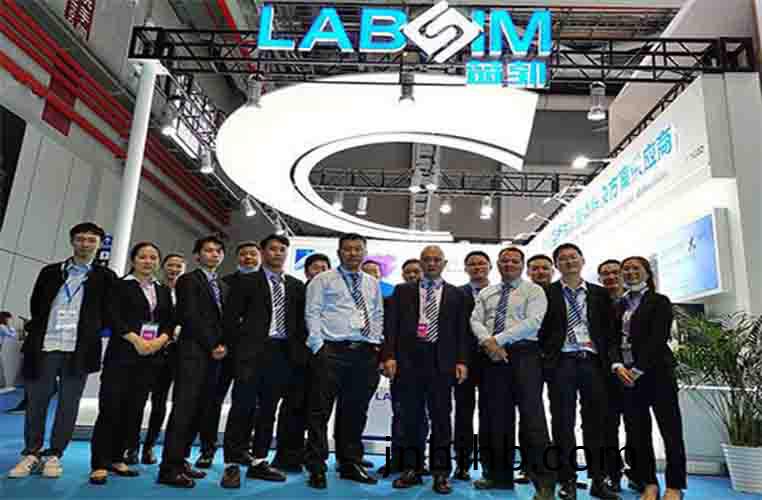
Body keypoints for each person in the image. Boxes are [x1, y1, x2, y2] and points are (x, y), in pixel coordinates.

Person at [9, 222, 117, 479]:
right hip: (46, 345)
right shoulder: (50, 272)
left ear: (99, 245)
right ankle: (31, 452)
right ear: (72, 241)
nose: (85, 244)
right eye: (80, 239)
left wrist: (90, 330)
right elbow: (36, 304)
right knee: (36, 402)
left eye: (91, 240)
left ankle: (55, 454)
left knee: (69, 405)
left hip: (79, 350)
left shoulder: (106, 277)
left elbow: (108, 311)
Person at [219, 234, 306, 488]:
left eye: (282, 250)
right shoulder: (246, 282)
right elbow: (230, 320)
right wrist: (238, 349)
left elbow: (300, 324)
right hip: (250, 354)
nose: (277, 253)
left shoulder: (296, 286)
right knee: (242, 408)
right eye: (272, 249)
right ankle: (232, 464)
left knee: (268, 411)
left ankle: (259, 461)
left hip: (282, 355)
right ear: (263, 252)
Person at [470, 247, 555, 500]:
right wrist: (488, 343)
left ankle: (545, 483)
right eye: (504, 260)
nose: (509, 264)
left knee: (533, 420)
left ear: (522, 265)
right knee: (494, 418)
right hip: (492, 358)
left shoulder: (534, 291)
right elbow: (475, 320)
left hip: (524, 356)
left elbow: (533, 322)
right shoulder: (486, 292)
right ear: (498, 264)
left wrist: (497, 340)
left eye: (514, 261)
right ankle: (498, 476)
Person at [383, 246, 467, 494]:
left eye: (436, 260)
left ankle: (441, 473)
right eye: (427, 260)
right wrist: (389, 356)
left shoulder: (457, 294)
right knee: (411, 418)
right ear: (420, 263)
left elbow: (462, 331)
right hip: (409, 360)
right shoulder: (402, 291)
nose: (431, 263)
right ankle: (412, 469)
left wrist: (462, 361)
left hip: (442, 362)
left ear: (444, 264)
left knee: (441, 418)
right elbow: (391, 326)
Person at [89, 242, 175, 485]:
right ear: (133, 260)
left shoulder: (163, 290)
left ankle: (118, 458)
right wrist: (136, 339)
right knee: (110, 408)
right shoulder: (120, 285)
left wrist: (159, 341)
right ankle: (100, 463)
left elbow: (170, 321)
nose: (148, 261)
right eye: (142, 257)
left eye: (153, 257)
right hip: (122, 355)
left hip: (151, 358)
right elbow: (112, 316)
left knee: (133, 410)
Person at [538, 243, 619, 500]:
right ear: (556, 265)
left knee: (596, 422)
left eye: (573, 257)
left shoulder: (599, 294)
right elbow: (540, 329)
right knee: (563, 422)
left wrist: (613, 361)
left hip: (593, 363)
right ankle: (567, 480)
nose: (569, 262)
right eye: (563, 259)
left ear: (582, 260)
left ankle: (598, 479)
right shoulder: (547, 293)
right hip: (561, 362)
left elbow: (610, 332)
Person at [304, 233, 384, 489]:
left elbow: (377, 313)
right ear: (339, 253)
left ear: (365, 252)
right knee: (319, 412)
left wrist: (376, 342)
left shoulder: (372, 282)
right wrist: (318, 347)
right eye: (347, 249)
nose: (353, 253)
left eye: (358, 249)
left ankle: (349, 463)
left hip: (364, 353)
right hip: (331, 351)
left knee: (355, 412)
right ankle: (316, 466)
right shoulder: (323, 279)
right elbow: (312, 312)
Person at [611, 257, 686, 500]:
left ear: (647, 273)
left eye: (636, 268)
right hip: (627, 377)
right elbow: (612, 339)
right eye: (626, 269)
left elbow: (657, 339)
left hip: (657, 374)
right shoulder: (619, 304)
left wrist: (638, 369)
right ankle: (649, 483)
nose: (630, 272)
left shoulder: (659, 301)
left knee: (670, 431)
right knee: (638, 433)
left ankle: (675, 486)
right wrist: (618, 365)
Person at [158, 235, 228, 488]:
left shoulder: (222, 285)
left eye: (218, 251)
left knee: (199, 411)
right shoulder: (188, 280)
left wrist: (224, 345)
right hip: (192, 354)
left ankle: (182, 460)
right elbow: (190, 316)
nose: (214, 254)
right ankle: (169, 468)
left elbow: (225, 321)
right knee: (183, 410)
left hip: (214, 356)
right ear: (197, 255)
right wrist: (213, 345)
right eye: (208, 250)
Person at [194, 241, 262, 469]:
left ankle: (242, 449)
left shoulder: (268, 284)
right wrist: (218, 344)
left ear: (260, 257)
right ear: (236, 258)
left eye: (252, 254)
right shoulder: (223, 283)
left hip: (253, 356)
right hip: (224, 353)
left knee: (247, 405)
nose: (248, 258)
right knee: (212, 402)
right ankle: (207, 449)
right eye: (243, 254)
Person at [272, 252, 332, 472]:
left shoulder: (334, 296)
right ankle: (288, 456)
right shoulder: (296, 291)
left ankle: (315, 457)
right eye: (316, 268)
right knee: (292, 408)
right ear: (307, 272)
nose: (320, 272)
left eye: (325, 268)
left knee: (319, 411)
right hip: (297, 361)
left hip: (326, 361)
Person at [134, 253, 186, 465]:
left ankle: (149, 446)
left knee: (160, 403)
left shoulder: (188, 292)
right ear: (163, 267)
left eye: (179, 266)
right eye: (170, 265)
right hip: (149, 349)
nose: (174, 269)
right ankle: (131, 446)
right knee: (137, 400)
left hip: (176, 355)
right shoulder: (155, 289)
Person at [379, 257, 428, 477]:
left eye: (416, 271)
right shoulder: (395, 297)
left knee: (421, 416)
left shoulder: (434, 297)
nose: (412, 275)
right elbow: (389, 331)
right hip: (401, 365)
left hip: (428, 366)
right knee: (399, 413)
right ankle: (396, 460)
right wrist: (388, 357)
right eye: (408, 272)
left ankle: (418, 461)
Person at [597, 259, 643, 494]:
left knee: (636, 425)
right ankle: (612, 474)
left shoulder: (636, 302)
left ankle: (638, 473)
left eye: (615, 272)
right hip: (605, 373)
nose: (611, 277)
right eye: (605, 274)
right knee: (608, 427)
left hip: (635, 373)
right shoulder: (596, 302)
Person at [454, 250, 492, 480]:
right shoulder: (456, 294)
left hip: (492, 362)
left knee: (491, 414)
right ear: (466, 268)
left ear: (489, 267)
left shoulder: (501, 292)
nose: (477, 267)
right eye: (472, 264)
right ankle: (462, 463)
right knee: (463, 413)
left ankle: (490, 466)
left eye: (481, 264)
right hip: (464, 361)